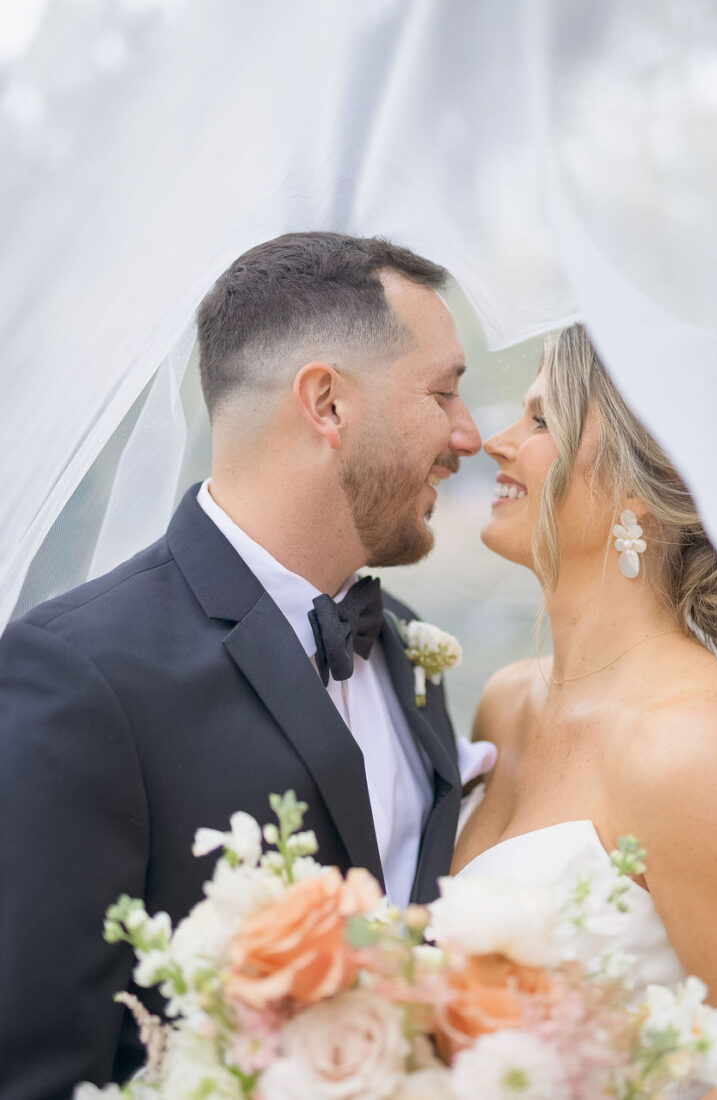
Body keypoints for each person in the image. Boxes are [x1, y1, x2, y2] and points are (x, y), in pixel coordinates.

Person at [0, 232, 482, 1099]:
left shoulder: (410, 651)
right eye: (443, 392)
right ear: (326, 403)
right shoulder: (78, 676)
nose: (469, 434)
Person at [452, 324, 717, 1099]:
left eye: (541, 419)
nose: (497, 442)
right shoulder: (506, 703)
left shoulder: (693, 748)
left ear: (647, 481)